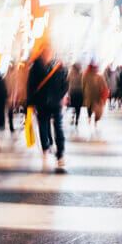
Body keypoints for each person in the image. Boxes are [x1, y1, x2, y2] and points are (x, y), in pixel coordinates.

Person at [26, 44, 69, 172]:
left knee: (50, 126)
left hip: (48, 102)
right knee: (50, 126)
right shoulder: (52, 66)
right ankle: (53, 152)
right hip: (48, 102)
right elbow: (65, 84)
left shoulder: (39, 67)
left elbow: (31, 86)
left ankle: (54, 152)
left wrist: (30, 103)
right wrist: (30, 103)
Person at [82, 62, 108, 136]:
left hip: (90, 94)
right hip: (94, 94)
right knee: (94, 107)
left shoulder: (86, 75)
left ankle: (90, 118)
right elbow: (105, 86)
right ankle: (94, 120)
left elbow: (83, 84)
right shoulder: (99, 76)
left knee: (90, 106)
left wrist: (83, 92)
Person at [68, 62, 84, 127]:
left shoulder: (71, 73)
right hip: (79, 92)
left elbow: (67, 81)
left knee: (74, 106)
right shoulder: (81, 74)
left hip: (73, 92)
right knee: (78, 107)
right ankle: (77, 119)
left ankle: (73, 117)